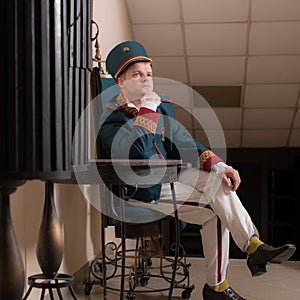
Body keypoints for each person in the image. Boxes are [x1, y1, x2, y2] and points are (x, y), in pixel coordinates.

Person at [99, 40, 296, 300]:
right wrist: (147, 110)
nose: (146, 80)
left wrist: (220, 165)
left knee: (217, 186)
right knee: (215, 210)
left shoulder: (160, 108)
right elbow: (138, 154)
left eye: (149, 74)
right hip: (139, 190)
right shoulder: (113, 119)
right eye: (137, 75)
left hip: (169, 179)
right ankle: (231, 272)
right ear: (121, 82)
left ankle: (247, 253)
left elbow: (182, 142)